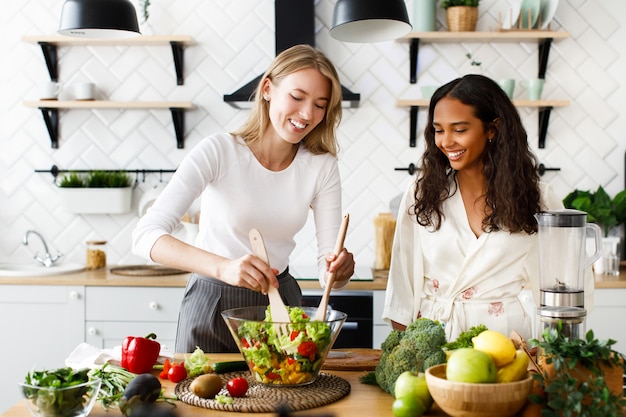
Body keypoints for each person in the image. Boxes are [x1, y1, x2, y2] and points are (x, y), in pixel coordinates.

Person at [132, 44, 355, 353]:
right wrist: (224, 268)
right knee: (198, 399)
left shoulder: (322, 166)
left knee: (282, 401)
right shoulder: (219, 151)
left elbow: (326, 270)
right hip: (212, 304)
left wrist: (338, 272)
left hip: (281, 307)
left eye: (320, 104)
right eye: (297, 96)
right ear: (267, 89)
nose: (307, 114)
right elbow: (145, 236)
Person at [382, 74, 566, 342]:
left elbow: (561, 286)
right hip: (437, 342)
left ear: (492, 129)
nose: (446, 141)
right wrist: (402, 355)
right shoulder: (422, 195)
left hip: (511, 344)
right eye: (438, 129)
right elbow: (402, 286)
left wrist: (552, 354)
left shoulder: (539, 199)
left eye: (459, 129)